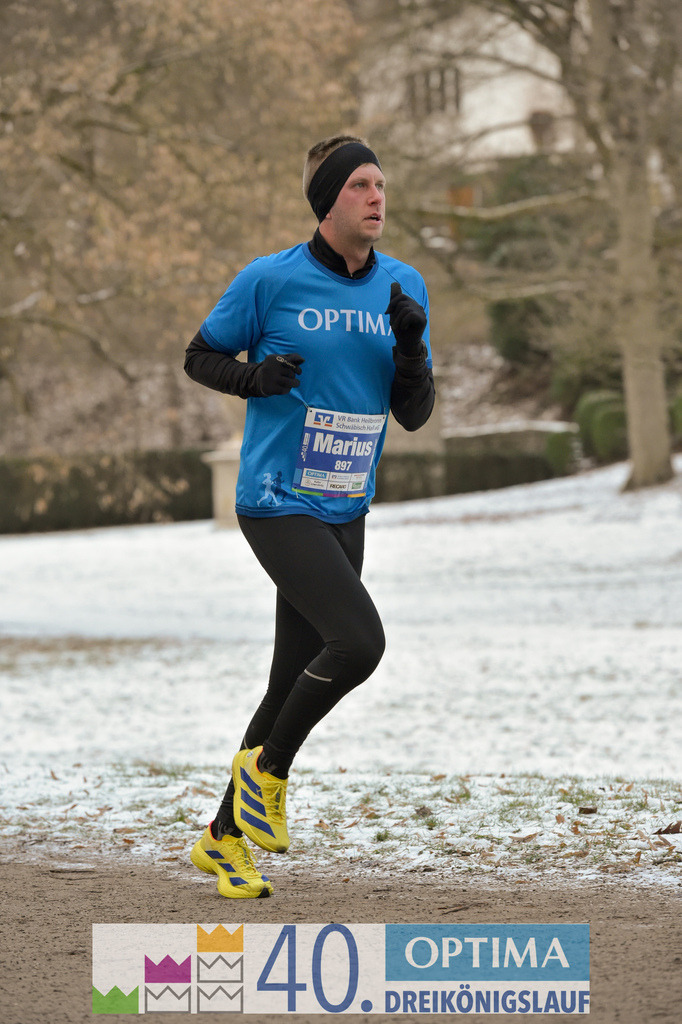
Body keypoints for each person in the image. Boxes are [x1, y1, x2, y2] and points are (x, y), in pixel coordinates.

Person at [184, 134, 435, 899]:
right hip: (275, 499)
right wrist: (256, 377)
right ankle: (268, 774)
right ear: (328, 200)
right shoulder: (271, 280)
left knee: (292, 675)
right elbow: (200, 355)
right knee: (359, 642)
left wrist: (414, 343)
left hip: (344, 504)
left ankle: (224, 839)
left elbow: (415, 414)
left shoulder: (402, 288)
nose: (376, 197)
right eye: (360, 184)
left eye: (381, 184)